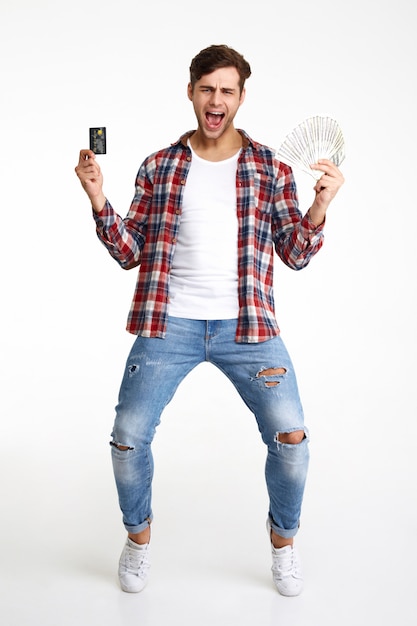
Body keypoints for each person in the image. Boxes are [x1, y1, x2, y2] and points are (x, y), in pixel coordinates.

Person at [75, 44, 344, 597]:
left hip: (247, 328)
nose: (215, 100)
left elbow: (294, 252)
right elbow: (130, 252)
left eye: (227, 90)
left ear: (241, 97)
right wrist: (99, 198)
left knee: (291, 438)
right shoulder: (161, 165)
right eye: (207, 89)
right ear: (191, 92)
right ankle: (138, 537)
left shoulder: (269, 167)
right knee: (127, 437)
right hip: (168, 324)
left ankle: (284, 544)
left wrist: (319, 206)